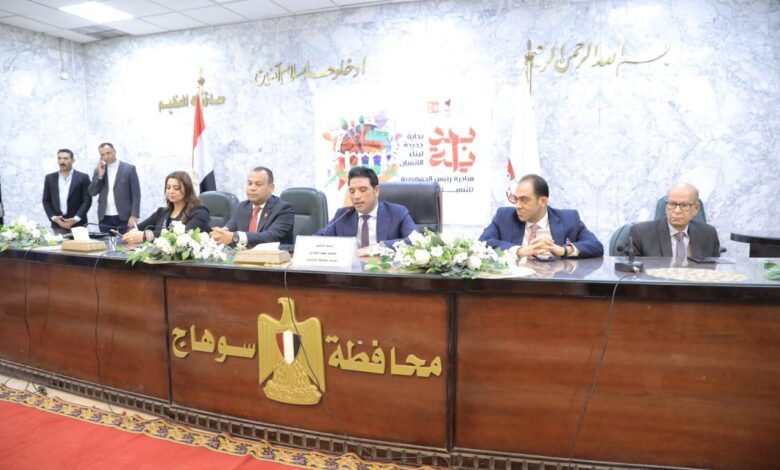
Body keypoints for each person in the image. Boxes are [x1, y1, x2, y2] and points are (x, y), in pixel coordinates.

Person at [479, 174, 603, 258]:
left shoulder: (569, 218)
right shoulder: (504, 216)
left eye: (524, 200)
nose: (517, 206)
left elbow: (596, 246)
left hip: (555, 283)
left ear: (543, 201)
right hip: (514, 284)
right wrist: (520, 250)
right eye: (515, 199)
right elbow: (483, 243)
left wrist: (563, 250)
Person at [315, 166, 416, 256]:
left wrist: (374, 249)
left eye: (362, 190)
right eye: (352, 191)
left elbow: (414, 240)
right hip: (351, 270)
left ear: (376, 191)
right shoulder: (343, 215)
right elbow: (317, 239)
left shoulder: (397, 213)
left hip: (384, 269)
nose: (356, 196)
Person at [629, 183, 720, 260]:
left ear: (695, 208)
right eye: (672, 204)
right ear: (666, 206)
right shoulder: (641, 233)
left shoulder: (709, 234)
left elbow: (714, 269)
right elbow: (631, 270)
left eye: (684, 205)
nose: (677, 211)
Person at [210, 167, 294, 247]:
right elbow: (229, 229)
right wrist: (219, 233)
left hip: (272, 256)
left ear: (271, 188)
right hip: (244, 255)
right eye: (249, 183)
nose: (252, 188)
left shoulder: (284, 209)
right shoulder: (242, 207)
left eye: (258, 184)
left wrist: (235, 237)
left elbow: (270, 237)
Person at [122, 171, 210, 244]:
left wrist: (146, 236)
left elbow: (184, 237)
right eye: (168, 187)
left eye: (176, 188)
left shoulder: (199, 212)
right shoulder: (161, 212)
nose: (171, 191)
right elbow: (137, 228)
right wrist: (131, 234)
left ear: (187, 190)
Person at [88, 143, 141, 234]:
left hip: (125, 216)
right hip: (104, 217)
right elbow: (92, 192)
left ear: (115, 152)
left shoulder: (129, 169)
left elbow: (136, 194)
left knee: (126, 242)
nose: (106, 156)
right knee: (107, 242)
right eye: (102, 154)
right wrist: (100, 176)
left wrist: (134, 215)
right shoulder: (99, 170)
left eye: (108, 153)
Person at [41, 149, 92, 234]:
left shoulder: (83, 177)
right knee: (60, 243)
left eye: (65, 158)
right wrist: (54, 218)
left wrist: (76, 219)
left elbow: (87, 200)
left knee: (79, 243)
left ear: (73, 160)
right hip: (58, 223)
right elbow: (46, 200)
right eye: (59, 158)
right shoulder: (50, 178)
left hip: (78, 224)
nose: (62, 161)